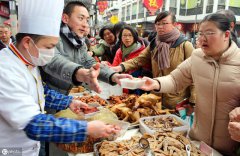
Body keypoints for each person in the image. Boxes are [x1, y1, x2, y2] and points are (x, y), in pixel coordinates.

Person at [0, 0, 120, 155]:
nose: (51, 53)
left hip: (31, 147)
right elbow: (35, 124)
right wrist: (87, 129)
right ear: (28, 42)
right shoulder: (5, 69)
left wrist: (68, 101)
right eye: (49, 47)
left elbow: (41, 92)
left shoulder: (27, 61)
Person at [139, 13, 240, 155]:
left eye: (209, 33)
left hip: (229, 148)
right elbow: (175, 80)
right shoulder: (197, 56)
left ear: (226, 34)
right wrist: (155, 83)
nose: (202, 38)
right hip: (198, 142)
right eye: (200, 33)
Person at [40, 1, 131, 95]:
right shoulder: (52, 36)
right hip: (46, 95)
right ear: (65, 18)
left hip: (65, 94)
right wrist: (80, 73)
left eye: (87, 20)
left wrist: (113, 75)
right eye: (80, 18)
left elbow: (89, 62)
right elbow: (52, 60)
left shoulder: (79, 43)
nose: (85, 24)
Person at [112, 11, 195, 109]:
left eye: (164, 23)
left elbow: (194, 76)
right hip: (156, 98)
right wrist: (120, 67)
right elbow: (139, 60)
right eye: (157, 24)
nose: (160, 27)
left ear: (174, 25)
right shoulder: (154, 44)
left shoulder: (185, 46)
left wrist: (193, 101)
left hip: (177, 101)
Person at [109, 25, 151, 94]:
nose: (127, 38)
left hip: (137, 88)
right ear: (120, 38)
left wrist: (136, 83)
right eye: (124, 35)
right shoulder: (119, 51)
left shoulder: (143, 51)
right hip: (122, 86)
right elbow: (115, 67)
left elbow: (146, 71)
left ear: (134, 37)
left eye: (130, 35)